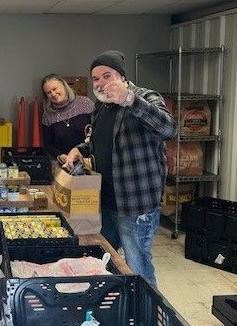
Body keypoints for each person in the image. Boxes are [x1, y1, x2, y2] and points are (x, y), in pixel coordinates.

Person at [64, 51, 176, 287]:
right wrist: (80, 150)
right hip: (106, 202)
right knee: (102, 261)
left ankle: (148, 316)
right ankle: (117, 308)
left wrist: (130, 100)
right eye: (95, 79)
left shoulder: (144, 97)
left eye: (107, 76)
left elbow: (168, 129)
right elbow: (98, 142)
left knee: (138, 267)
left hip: (135, 206)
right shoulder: (101, 106)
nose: (100, 83)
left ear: (122, 77)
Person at [40, 74, 94, 164]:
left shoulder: (85, 103)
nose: (53, 94)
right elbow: (48, 145)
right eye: (48, 92)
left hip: (90, 162)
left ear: (64, 85)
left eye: (54, 89)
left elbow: (99, 132)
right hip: (66, 165)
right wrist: (60, 156)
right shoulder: (48, 116)